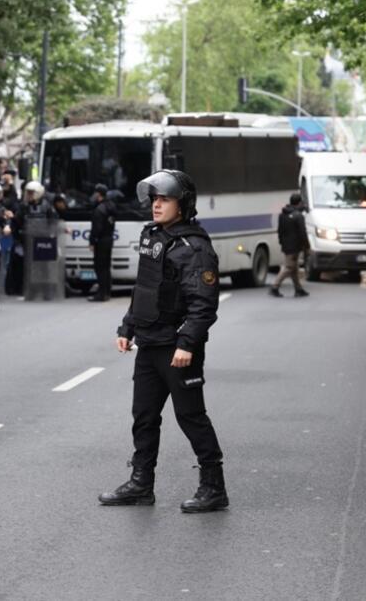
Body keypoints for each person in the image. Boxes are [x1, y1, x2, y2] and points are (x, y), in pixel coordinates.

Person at [100, 169, 227, 513]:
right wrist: (127, 328)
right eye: (154, 199)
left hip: (177, 347)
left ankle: (214, 487)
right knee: (143, 416)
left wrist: (187, 344)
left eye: (165, 199)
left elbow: (203, 305)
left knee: (191, 417)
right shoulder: (153, 237)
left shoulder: (195, 248)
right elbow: (144, 290)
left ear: (182, 204)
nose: (156, 205)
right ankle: (141, 484)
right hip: (149, 343)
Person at [269, 193, 310, 298]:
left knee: (294, 268)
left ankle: (298, 289)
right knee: (288, 267)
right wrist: (307, 246)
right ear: (299, 202)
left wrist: (281, 242)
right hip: (295, 246)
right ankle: (275, 286)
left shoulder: (283, 214)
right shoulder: (298, 216)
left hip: (286, 245)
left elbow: (280, 231)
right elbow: (303, 233)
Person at [88, 183, 117, 302]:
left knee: (99, 267)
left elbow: (97, 229)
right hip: (109, 239)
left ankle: (101, 294)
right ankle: (107, 292)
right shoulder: (111, 206)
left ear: (98, 194)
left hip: (101, 241)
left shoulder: (99, 209)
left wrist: (92, 241)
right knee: (106, 267)